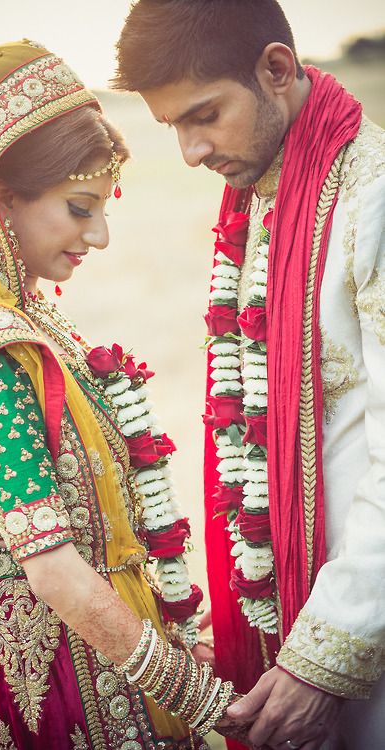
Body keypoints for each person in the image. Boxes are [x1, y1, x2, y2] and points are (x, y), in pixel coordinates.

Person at [0, 40, 252, 750]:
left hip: (103, 644)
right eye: (80, 208)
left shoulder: (33, 322)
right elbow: (52, 568)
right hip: (46, 677)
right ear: (2, 196)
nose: (101, 235)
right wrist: (192, 693)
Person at [113, 1, 385, 749]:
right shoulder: (264, 197)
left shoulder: (373, 198)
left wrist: (323, 661)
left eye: (204, 115)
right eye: (173, 126)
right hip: (288, 620)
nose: (191, 152)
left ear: (276, 68)